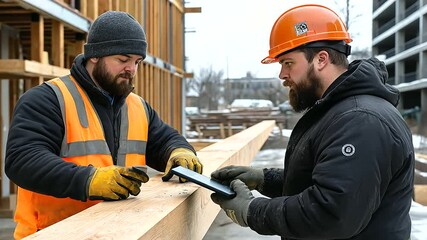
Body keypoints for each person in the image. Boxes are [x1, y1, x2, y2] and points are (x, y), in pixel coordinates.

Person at [210, 4, 414, 239]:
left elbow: (331, 213)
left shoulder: (360, 121)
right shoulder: (339, 112)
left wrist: (252, 210)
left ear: (321, 59)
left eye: (288, 63)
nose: (282, 75)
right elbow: (329, 178)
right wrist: (266, 179)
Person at [5, 11, 202, 239]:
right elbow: (23, 161)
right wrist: (89, 181)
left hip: (115, 231)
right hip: (53, 233)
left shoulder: (135, 106)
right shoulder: (48, 99)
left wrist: (179, 152)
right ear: (95, 55)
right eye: (123, 59)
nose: (132, 69)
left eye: (137, 62)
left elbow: (164, 140)